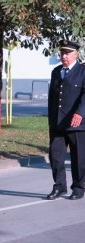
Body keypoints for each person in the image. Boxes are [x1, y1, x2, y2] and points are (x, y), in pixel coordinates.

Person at [46, 38, 85, 201]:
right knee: (55, 157)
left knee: (78, 158)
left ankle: (78, 187)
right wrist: (51, 120)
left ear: (76, 54)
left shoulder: (83, 71)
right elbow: (52, 98)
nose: (64, 56)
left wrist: (80, 113)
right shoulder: (56, 71)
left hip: (76, 123)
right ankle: (59, 186)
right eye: (62, 52)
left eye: (68, 53)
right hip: (57, 123)